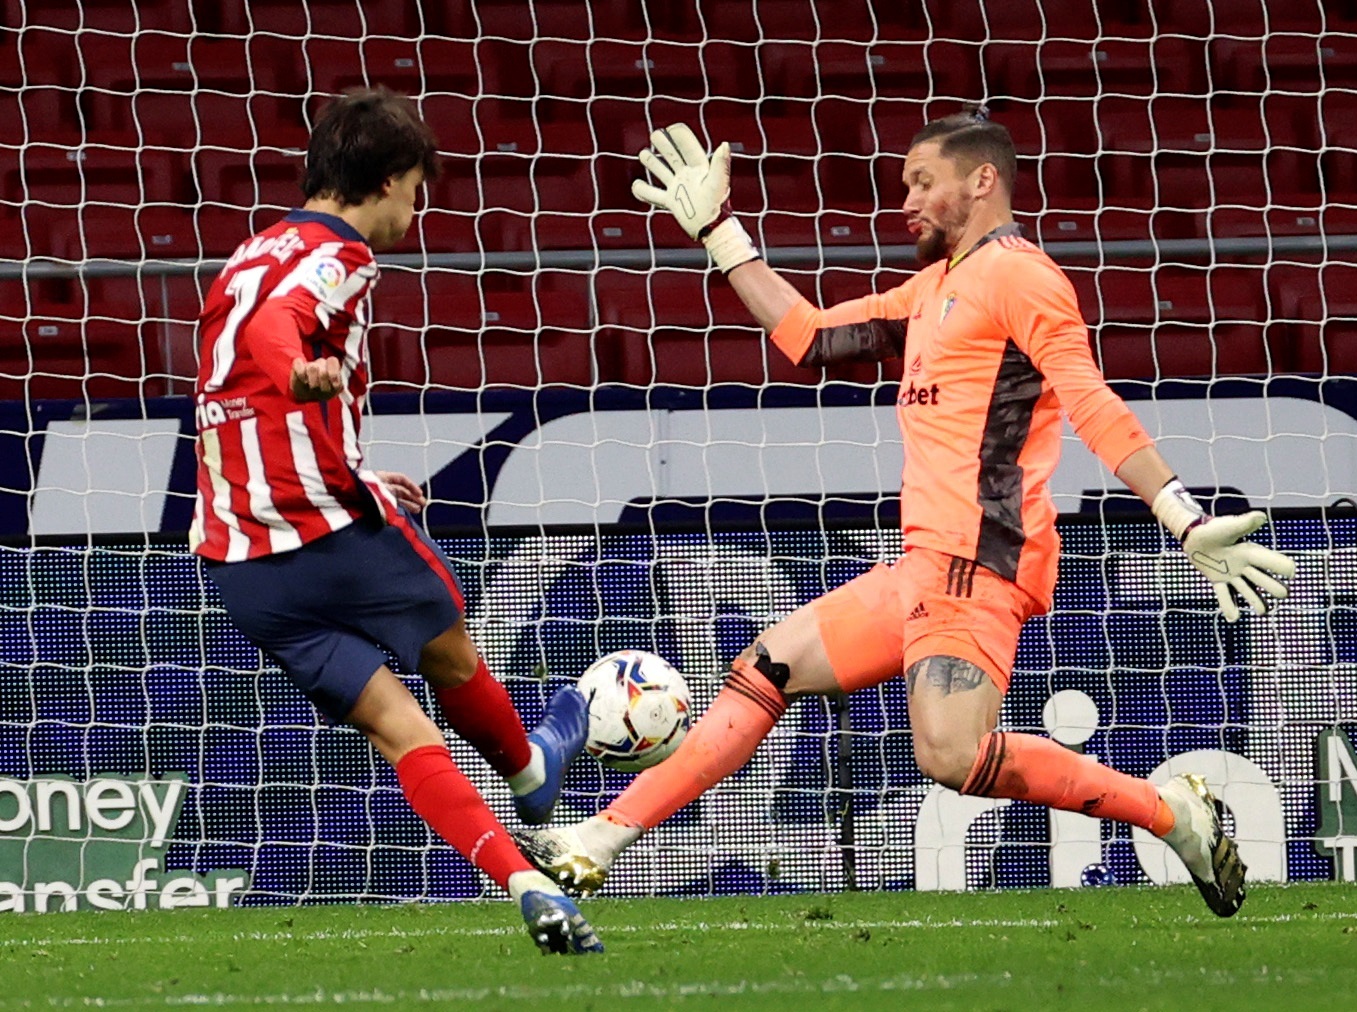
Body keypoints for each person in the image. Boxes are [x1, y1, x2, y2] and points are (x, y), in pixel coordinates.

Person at [515, 112, 1297, 917]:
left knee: (949, 755)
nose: (908, 201)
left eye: (923, 182)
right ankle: (599, 840)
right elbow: (809, 338)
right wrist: (721, 232)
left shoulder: (1022, 279)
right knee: (767, 666)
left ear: (982, 180)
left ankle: (1171, 815)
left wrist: (1180, 514)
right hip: (923, 566)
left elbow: (1088, 399)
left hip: (977, 561)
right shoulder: (932, 291)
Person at [190, 88, 602, 955]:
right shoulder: (340, 251)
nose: (415, 210)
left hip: (241, 563)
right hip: (329, 532)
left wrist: (345, 456)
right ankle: (532, 772)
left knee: (397, 729)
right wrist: (299, 371)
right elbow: (278, 329)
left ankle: (527, 885)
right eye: (415, 189)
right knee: (450, 650)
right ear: (385, 180)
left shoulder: (247, 253)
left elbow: (246, 378)